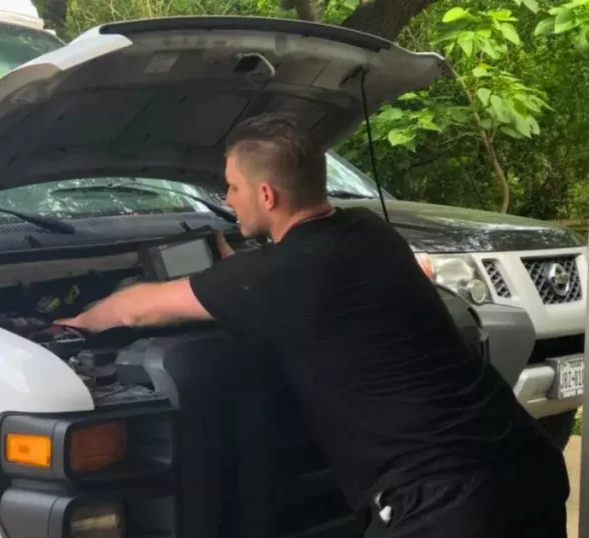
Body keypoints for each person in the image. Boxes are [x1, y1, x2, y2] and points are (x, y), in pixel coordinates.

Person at [56, 113, 570, 537]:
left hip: (444, 502)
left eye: (233, 188)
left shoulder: (280, 275)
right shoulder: (369, 231)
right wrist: (238, 266)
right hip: (523, 462)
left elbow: (139, 308)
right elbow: (308, 279)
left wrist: (78, 320)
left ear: (267, 195)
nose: (228, 200)